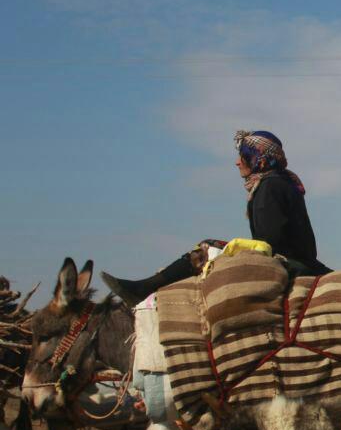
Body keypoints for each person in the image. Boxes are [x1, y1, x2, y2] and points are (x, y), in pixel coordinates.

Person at [103, 129, 327, 306]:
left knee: (206, 249)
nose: (237, 162)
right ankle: (146, 288)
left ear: (257, 159)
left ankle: (145, 289)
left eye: (242, 157)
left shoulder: (270, 187)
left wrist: (235, 251)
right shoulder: (281, 182)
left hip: (293, 264)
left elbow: (271, 241)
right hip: (298, 261)